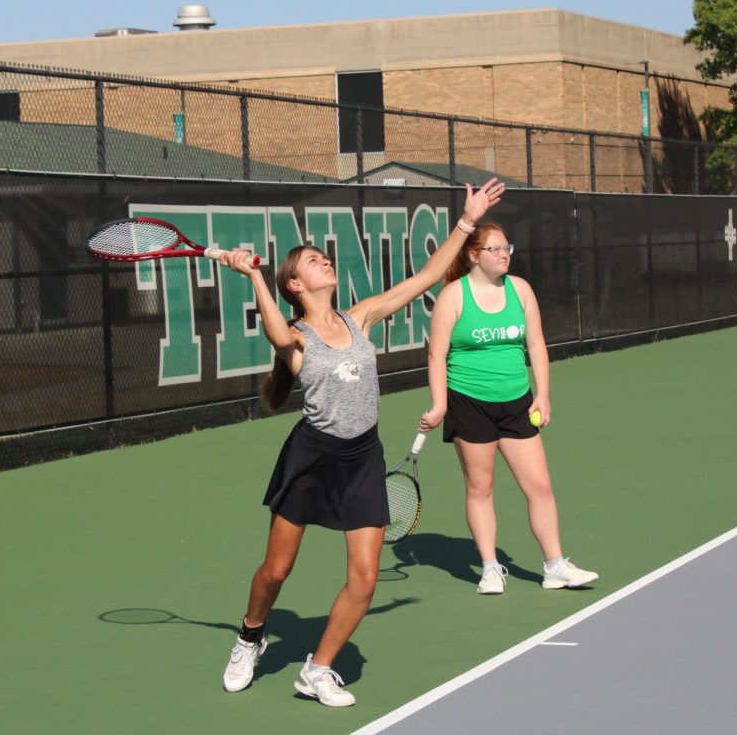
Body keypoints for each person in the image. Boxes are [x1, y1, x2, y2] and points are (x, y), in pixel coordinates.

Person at [218, 179, 506, 706]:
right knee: (277, 569)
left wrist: (467, 220)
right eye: (310, 260)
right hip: (312, 458)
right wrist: (254, 276)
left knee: (366, 578)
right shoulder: (298, 338)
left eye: (322, 256)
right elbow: (279, 337)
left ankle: (318, 669)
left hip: (362, 459)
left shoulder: (360, 317)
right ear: (294, 285)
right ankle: (251, 634)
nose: (323, 261)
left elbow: (424, 278)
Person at [419, 223, 597, 595]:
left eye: (507, 248)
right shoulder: (454, 296)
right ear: (474, 255)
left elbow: (536, 345)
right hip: (469, 402)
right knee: (481, 488)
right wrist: (439, 405)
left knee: (541, 486)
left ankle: (554, 566)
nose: (505, 254)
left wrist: (542, 394)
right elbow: (437, 355)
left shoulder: (521, 290)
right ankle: (489, 569)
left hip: (517, 401)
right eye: (496, 249)